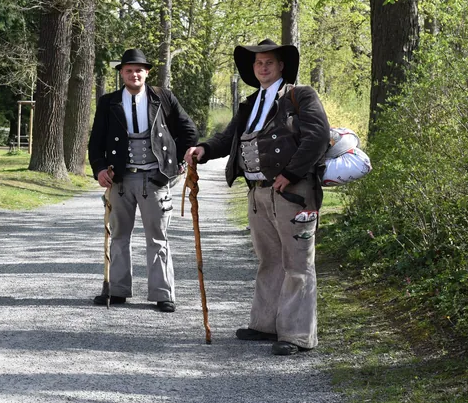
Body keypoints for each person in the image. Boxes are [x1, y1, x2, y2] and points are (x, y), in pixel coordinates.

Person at [184, 39, 330, 354]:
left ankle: (296, 335)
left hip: (294, 193)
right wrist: (204, 150)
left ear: (281, 66)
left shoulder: (300, 96)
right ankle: (265, 324)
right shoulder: (250, 103)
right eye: (258, 63)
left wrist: (290, 173)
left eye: (269, 62)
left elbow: (317, 136)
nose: (263, 67)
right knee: (270, 260)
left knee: (297, 263)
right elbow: (228, 138)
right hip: (257, 193)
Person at [89, 48, 198, 313]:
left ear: (146, 72)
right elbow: (96, 142)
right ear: (121, 74)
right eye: (128, 70)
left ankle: (163, 293)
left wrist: (179, 162)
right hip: (120, 180)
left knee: (158, 238)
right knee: (118, 236)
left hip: (155, 178)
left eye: (139, 70)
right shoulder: (108, 102)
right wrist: (100, 168)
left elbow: (189, 131)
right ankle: (117, 290)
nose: (134, 74)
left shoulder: (163, 98)